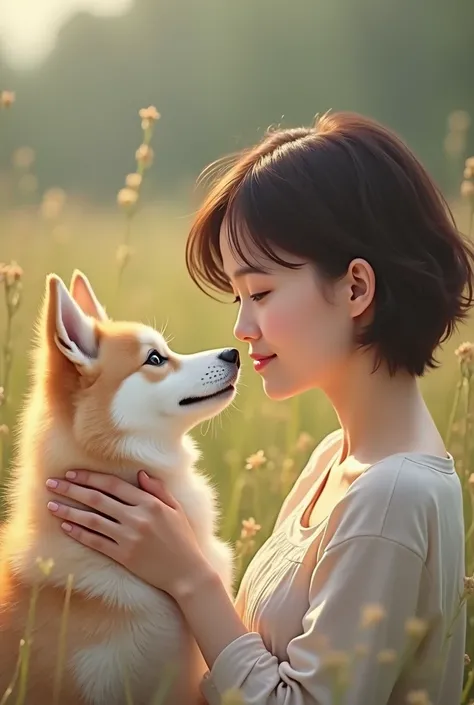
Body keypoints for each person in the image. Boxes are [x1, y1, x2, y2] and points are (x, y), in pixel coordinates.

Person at [45, 111, 472, 704]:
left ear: (355, 289)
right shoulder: (336, 460)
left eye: (262, 293)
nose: (242, 328)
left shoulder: (390, 497)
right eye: (238, 296)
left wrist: (189, 577)